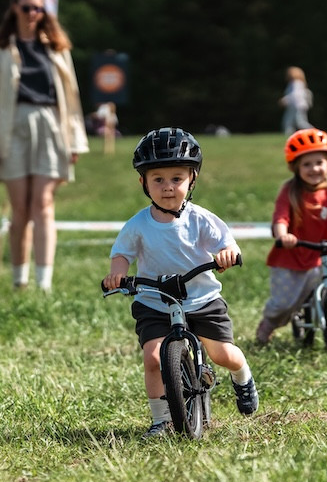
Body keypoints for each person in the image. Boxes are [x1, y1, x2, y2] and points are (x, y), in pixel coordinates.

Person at [103, 127, 259, 437]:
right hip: (154, 301)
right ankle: (161, 419)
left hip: (202, 299)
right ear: (143, 183)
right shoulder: (138, 225)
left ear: (192, 179)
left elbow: (226, 244)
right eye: (158, 179)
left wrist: (227, 254)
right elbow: (121, 254)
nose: (168, 187)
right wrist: (117, 273)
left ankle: (243, 377)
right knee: (153, 357)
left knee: (222, 354)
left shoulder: (201, 219)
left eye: (177, 178)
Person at [0, 0, 89, 291]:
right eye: (27, 7)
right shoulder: (0, 48)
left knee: (43, 203)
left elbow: (72, 96)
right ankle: (19, 279)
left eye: (38, 9)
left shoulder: (56, 48)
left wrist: (74, 139)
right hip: (12, 126)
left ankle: (44, 283)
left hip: (51, 125)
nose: (32, 13)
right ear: (15, 8)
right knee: (20, 208)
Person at [255, 128, 327, 345]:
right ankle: (268, 325)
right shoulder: (290, 192)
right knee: (284, 303)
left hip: (325, 253)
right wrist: (283, 235)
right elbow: (281, 217)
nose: (314, 168)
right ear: (295, 168)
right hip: (292, 255)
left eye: (319, 162)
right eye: (307, 164)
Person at [279, 66, 313, 135]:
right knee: (290, 121)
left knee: (299, 122)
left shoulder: (296, 83)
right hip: (295, 105)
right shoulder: (296, 83)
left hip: (297, 105)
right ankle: (289, 135)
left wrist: (285, 100)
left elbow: (295, 94)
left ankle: (313, 131)